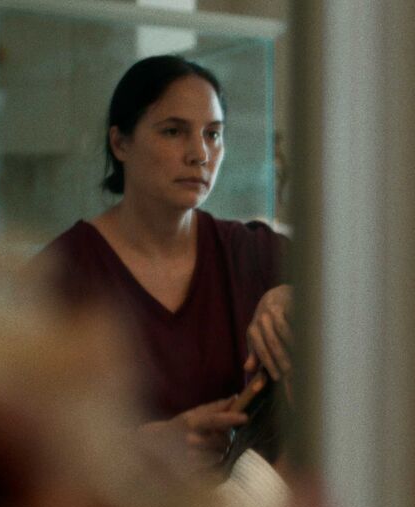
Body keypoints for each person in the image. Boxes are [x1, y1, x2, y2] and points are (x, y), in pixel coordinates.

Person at [35, 55, 294, 466]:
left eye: (213, 134)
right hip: (115, 504)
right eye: (174, 131)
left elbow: (367, 282)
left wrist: (290, 294)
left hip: (246, 504)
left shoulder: (251, 253)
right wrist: (143, 446)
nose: (199, 154)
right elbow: (16, 439)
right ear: (120, 143)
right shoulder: (62, 272)